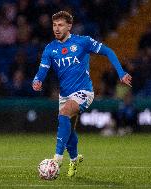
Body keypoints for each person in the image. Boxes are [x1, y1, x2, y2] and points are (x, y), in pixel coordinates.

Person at [32, 11, 132, 177]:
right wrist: (37, 80)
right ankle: (74, 159)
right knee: (69, 130)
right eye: (54, 25)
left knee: (64, 113)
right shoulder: (50, 49)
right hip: (64, 95)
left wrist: (121, 73)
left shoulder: (83, 42)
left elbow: (108, 52)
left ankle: (57, 159)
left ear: (69, 26)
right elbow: (42, 71)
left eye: (61, 25)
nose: (57, 28)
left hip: (84, 91)